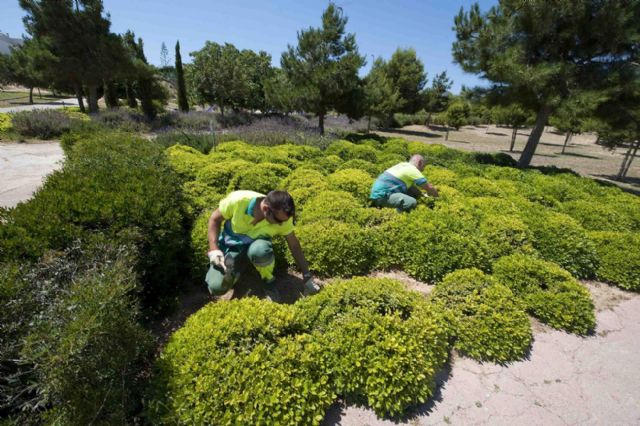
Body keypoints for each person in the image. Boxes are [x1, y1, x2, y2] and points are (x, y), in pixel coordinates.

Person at [206, 189, 319, 302]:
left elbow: (294, 245)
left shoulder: (283, 218)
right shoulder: (238, 200)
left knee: (260, 251)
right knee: (217, 287)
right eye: (278, 220)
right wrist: (214, 249)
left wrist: (307, 275)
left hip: (257, 247)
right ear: (265, 209)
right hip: (232, 246)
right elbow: (215, 219)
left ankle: (268, 281)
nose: (281, 224)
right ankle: (238, 271)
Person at [369, 154, 439, 212]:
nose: (423, 170)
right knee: (411, 202)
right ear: (420, 163)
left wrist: (421, 195)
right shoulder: (412, 169)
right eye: (423, 167)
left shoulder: (403, 165)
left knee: (413, 192)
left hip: (378, 193)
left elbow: (412, 188)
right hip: (382, 196)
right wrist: (438, 199)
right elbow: (429, 188)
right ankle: (394, 217)